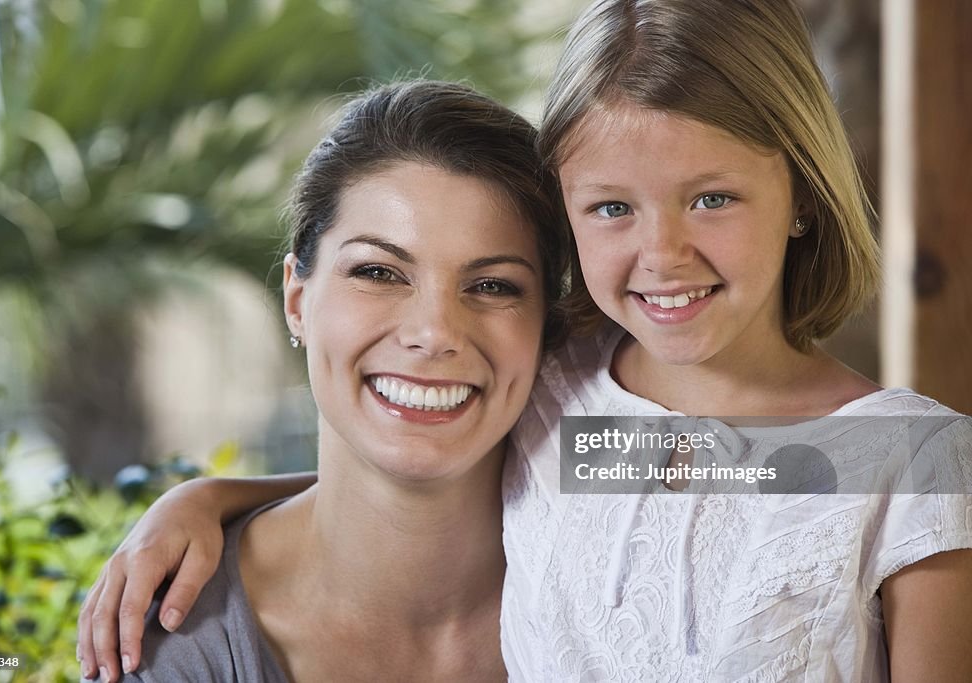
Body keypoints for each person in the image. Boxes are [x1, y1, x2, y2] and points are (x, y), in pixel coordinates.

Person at [80, 1, 972, 681]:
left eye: (713, 198)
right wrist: (204, 498)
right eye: (612, 207)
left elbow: (772, 467)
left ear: (805, 194)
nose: (662, 254)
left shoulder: (903, 461)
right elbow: (403, 465)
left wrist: (206, 496)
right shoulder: (568, 398)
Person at [79, 79, 570, 682]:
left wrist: (209, 495)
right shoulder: (173, 641)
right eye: (378, 272)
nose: (435, 332)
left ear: (548, 322)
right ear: (296, 298)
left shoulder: (613, 493)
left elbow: (723, 457)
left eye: (494, 285)